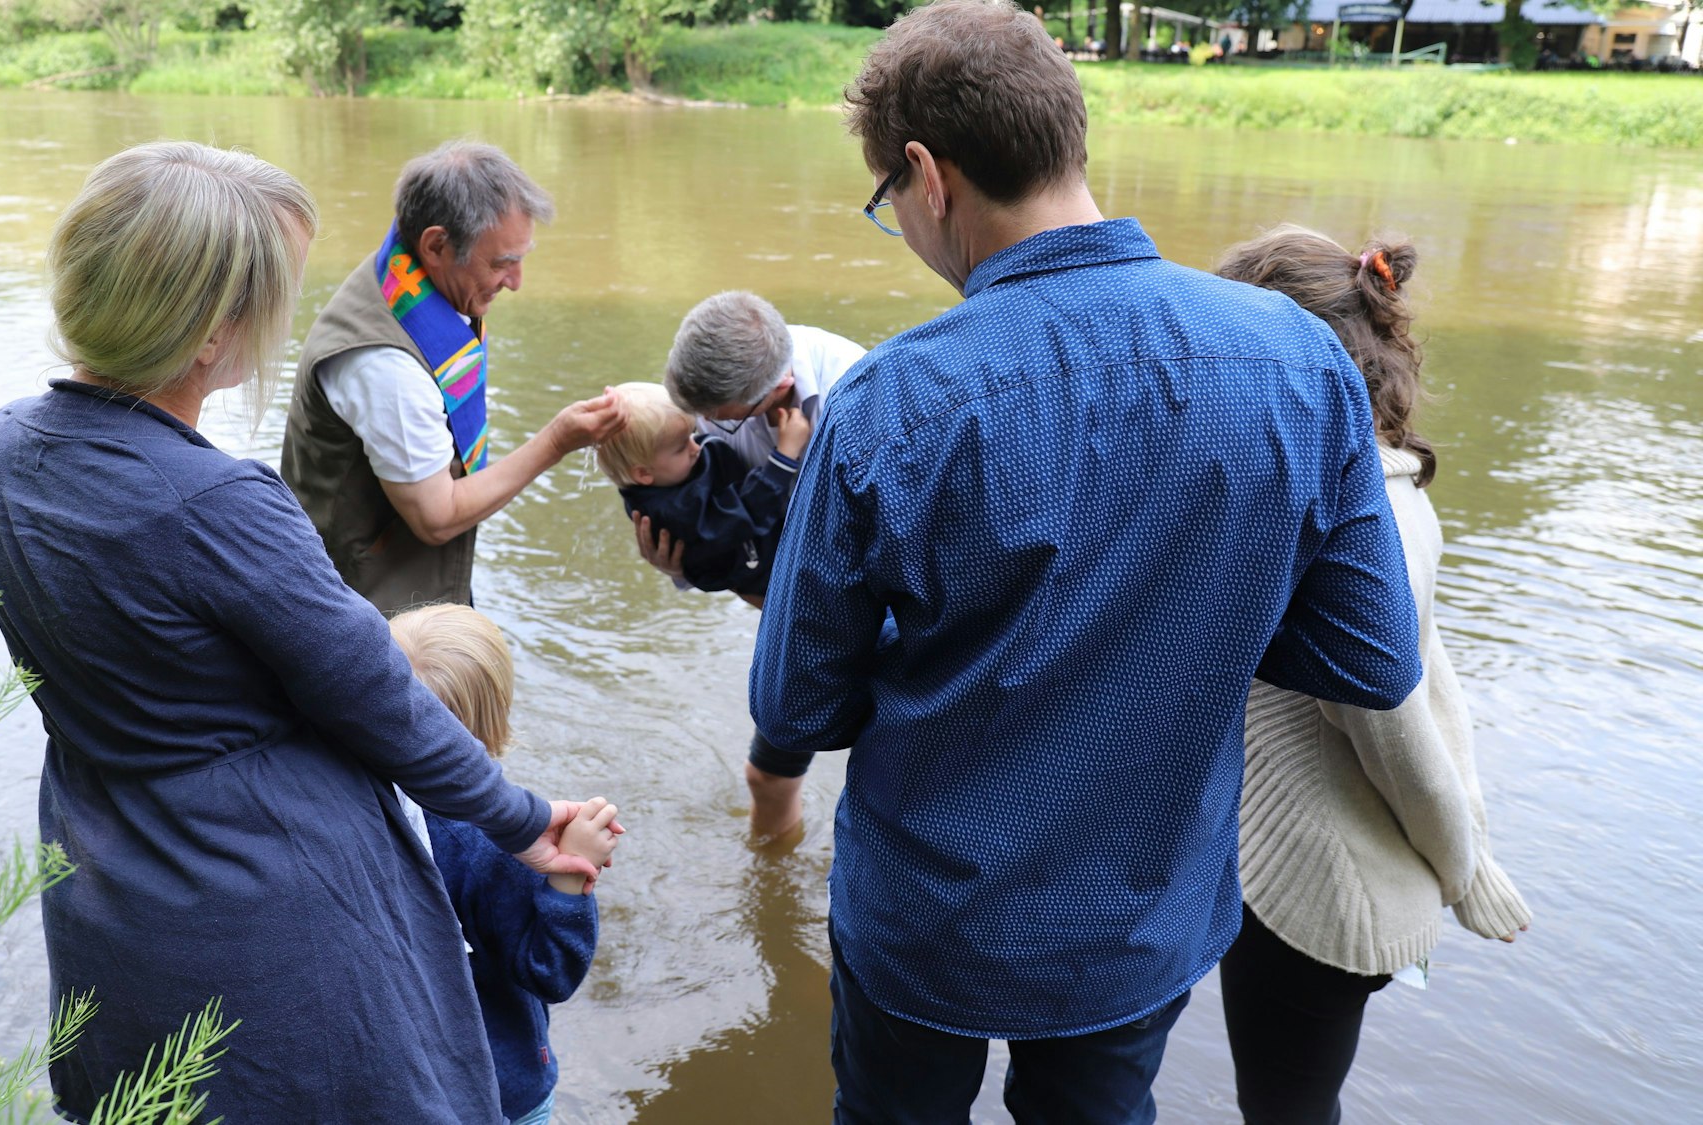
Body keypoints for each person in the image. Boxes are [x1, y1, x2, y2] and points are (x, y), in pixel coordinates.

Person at [749, 3, 1423, 1121]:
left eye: (886, 203)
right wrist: (1194, 613)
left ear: (927, 176)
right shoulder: (1298, 361)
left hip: (926, 923)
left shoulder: (889, 401)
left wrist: (935, 655)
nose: (900, 227)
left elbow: (793, 704)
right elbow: (1371, 658)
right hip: (1137, 920)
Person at [0, 141, 602, 1123]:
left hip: (108, 877)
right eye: (276, 297)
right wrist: (519, 821)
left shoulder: (1, 453)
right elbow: (382, 702)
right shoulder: (217, 504)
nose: (287, 319)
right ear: (210, 332)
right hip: (262, 909)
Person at [1214, 226, 1532, 1125]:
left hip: (1318, 886)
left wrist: (1463, 866)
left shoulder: (1358, 519)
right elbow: (1439, 677)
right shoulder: (1387, 484)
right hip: (1329, 866)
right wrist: (1472, 835)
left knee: (1285, 1110)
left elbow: (1396, 730)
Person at [282, 139, 623, 614]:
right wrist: (557, 441)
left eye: (521, 258)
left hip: (415, 589)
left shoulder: (410, 278)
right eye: (502, 263)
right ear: (437, 245)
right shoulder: (384, 364)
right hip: (363, 615)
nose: (517, 282)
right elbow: (437, 518)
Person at [631, 290, 865, 839]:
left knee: (892, 774)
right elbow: (711, 526)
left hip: (875, 604)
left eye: (717, 421)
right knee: (768, 776)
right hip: (788, 604)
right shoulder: (717, 392)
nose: (701, 431)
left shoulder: (855, 393)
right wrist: (679, 561)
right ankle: (771, 877)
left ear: (779, 388)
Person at [387, 604, 622, 1125]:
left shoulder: (352, 812)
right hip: (501, 1086)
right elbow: (550, 973)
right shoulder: (495, 845)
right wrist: (569, 876)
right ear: (495, 722)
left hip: (401, 1080)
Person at [599, 381, 812, 598]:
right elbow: (743, 513)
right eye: (681, 447)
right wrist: (784, 457)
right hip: (773, 574)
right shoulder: (672, 513)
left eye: (691, 434)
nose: (696, 447)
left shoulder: (668, 473)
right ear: (643, 473)